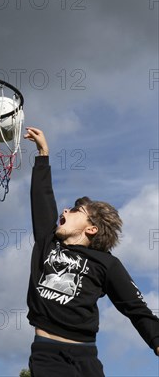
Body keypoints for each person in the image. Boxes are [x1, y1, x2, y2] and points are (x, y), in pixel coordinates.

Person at [23, 127, 159, 377]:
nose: (65, 211)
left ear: (92, 229)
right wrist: (43, 153)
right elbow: (42, 200)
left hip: (87, 358)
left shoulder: (107, 264)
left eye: (75, 211)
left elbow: (136, 309)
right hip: (48, 354)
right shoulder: (48, 242)